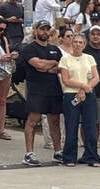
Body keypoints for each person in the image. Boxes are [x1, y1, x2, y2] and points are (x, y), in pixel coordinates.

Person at [20, 20, 63, 167]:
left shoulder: (55, 49)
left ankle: (58, 151)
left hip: (54, 89)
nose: (44, 32)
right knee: (33, 120)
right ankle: (29, 154)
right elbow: (38, 65)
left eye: (47, 29)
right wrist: (50, 63)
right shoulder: (29, 48)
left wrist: (46, 65)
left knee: (55, 122)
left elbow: (58, 68)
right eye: (41, 29)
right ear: (35, 30)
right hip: (36, 90)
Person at [59, 34, 100, 167]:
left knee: (90, 126)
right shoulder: (65, 60)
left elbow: (96, 77)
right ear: (71, 43)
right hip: (71, 94)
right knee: (71, 126)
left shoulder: (89, 58)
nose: (78, 44)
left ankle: (91, 156)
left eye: (81, 42)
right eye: (75, 42)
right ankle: (69, 157)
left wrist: (85, 89)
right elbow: (66, 80)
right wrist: (82, 86)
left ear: (84, 45)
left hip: (88, 94)